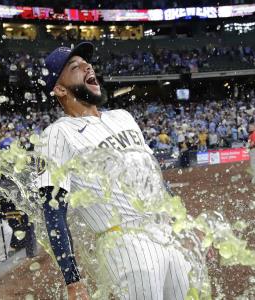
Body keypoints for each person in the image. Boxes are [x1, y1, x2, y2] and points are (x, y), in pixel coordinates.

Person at [35, 42, 191, 300]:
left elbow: (154, 179)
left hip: (166, 235)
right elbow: (53, 212)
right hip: (125, 245)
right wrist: (72, 280)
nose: (87, 66)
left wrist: (181, 224)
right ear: (60, 89)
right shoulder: (56, 134)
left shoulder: (123, 116)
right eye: (75, 67)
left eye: (87, 63)